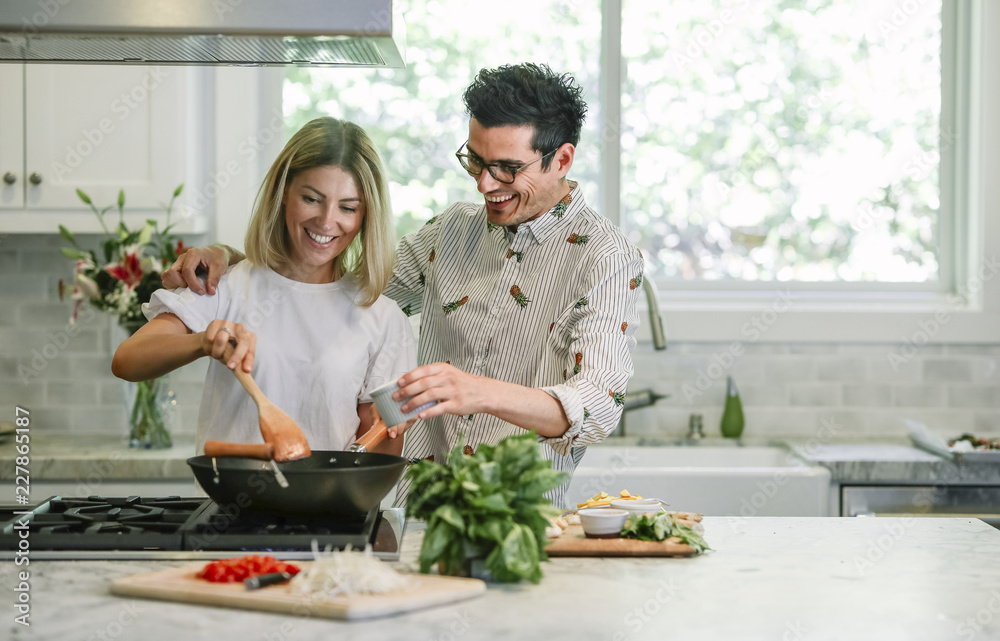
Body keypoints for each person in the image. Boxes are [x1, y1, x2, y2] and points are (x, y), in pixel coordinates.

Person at [162, 63, 643, 507]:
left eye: (507, 169)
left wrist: (476, 392)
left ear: (561, 159)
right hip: (419, 514)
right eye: (475, 161)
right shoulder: (453, 232)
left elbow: (599, 404)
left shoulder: (605, 257)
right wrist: (232, 258)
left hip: (515, 525)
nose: (484, 185)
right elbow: (333, 288)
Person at [114, 117, 416, 459]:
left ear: (366, 216)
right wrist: (202, 342)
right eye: (312, 199)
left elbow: (379, 447)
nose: (327, 221)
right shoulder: (225, 285)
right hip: (227, 509)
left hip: (331, 510)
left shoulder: (382, 317)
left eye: (348, 207)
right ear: (284, 191)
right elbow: (127, 361)